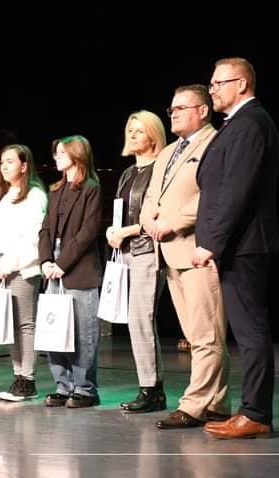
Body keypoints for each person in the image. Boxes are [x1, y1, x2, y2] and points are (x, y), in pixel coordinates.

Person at [193, 58, 279, 439]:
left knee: (251, 330)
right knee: (247, 330)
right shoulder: (238, 124)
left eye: (218, 83)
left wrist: (211, 244)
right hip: (239, 244)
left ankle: (256, 413)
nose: (212, 89)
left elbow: (236, 192)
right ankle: (252, 410)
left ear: (241, 84)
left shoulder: (251, 124)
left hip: (245, 244)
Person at [140, 85, 231, 429]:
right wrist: (149, 220)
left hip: (198, 250)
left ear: (203, 111)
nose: (173, 113)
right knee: (196, 335)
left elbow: (213, 195)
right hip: (169, 251)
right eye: (172, 109)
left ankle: (194, 405)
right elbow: (152, 196)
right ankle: (218, 403)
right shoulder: (168, 152)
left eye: (181, 108)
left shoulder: (215, 143)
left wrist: (173, 222)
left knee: (206, 334)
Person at [0, 144, 47, 402]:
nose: (4, 166)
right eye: (2, 162)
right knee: (9, 324)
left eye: (10, 161)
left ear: (24, 166)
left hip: (22, 268)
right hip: (0, 271)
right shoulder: (3, 197)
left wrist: (5, 266)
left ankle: (27, 379)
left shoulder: (35, 196)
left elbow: (31, 237)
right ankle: (18, 376)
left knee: (25, 323)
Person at [106, 111, 167, 413]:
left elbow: (160, 214)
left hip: (147, 250)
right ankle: (150, 386)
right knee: (135, 320)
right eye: (130, 130)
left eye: (139, 130)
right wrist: (112, 230)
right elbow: (120, 210)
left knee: (141, 319)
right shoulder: (128, 173)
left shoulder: (160, 169)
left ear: (153, 136)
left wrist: (128, 231)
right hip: (126, 253)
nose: (132, 135)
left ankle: (151, 389)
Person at [39, 135, 102, 408]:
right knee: (55, 328)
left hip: (78, 268)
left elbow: (88, 232)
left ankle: (85, 388)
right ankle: (62, 386)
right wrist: (45, 261)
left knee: (82, 332)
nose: (56, 157)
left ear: (77, 154)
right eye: (56, 153)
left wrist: (61, 263)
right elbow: (44, 229)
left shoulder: (91, 189)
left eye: (62, 152)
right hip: (52, 266)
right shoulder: (55, 190)